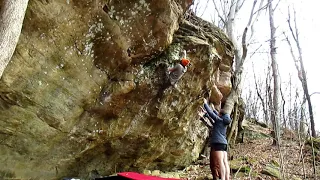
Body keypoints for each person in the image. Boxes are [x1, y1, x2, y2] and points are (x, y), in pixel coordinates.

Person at [198, 98, 232, 180]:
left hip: (218, 143)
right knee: (225, 162)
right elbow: (212, 117)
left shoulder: (219, 120)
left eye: (219, 113)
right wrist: (205, 115)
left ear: (220, 115)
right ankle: (227, 178)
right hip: (224, 144)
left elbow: (212, 114)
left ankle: (223, 179)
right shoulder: (223, 123)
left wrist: (206, 104)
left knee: (220, 163)